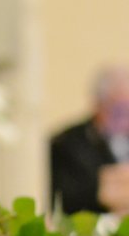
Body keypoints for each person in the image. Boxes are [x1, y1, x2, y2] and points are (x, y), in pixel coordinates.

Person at [50, 65, 129, 214]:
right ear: (98, 105)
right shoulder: (66, 144)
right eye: (119, 110)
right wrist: (99, 190)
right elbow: (59, 197)